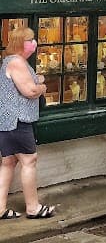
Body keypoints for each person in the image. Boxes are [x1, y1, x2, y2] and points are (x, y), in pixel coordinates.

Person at [0, 26, 55, 219]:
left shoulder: (14, 61)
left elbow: (26, 82)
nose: (34, 43)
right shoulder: (16, 62)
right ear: (20, 43)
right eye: (30, 40)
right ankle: (33, 208)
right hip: (18, 121)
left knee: (8, 162)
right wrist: (42, 87)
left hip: (8, 122)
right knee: (29, 160)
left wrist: (36, 79)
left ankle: (0, 208)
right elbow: (30, 91)